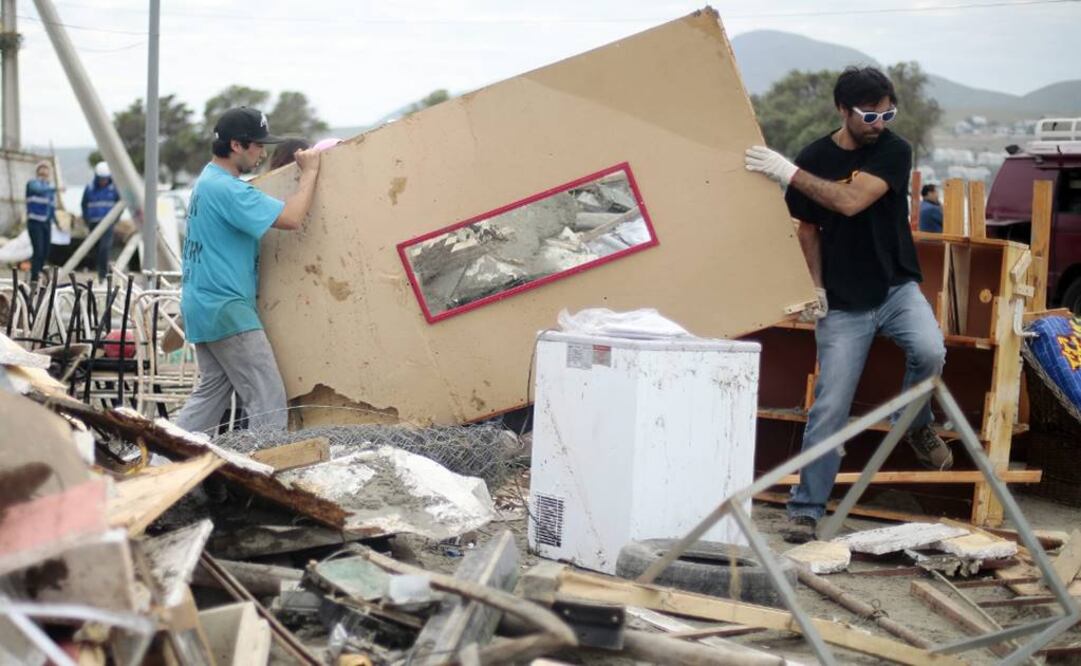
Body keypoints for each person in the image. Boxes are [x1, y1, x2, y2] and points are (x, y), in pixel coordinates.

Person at [744, 66, 950, 544]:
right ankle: (806, 510)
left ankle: (914, 424)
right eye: (870, 114)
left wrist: (789, 174)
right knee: (830, 406)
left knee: (931, 351)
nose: (880, 122)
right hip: (842, 302)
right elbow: (809, 228)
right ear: (842, 110)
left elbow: (852, 201)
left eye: (888, 113)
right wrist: (815, 288)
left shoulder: (894, 150)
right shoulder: (815, 155)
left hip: (896, 288)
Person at [173, 106, 321, 435]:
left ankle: (158, 461)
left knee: (210, 396)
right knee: (268, 399)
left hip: (202, 305)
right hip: (228, 308)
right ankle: (264, 472)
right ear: (236, 145)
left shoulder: (206, 181)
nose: (262, 153)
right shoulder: (228, 189)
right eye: (257, 145)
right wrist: (309, 173)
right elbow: (292, 218)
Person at [80, 161, 121, 280]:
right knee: (97, 250)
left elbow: (119, 206)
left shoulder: (114, 189)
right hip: (94, 223)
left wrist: (115, 219)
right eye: (101, 179)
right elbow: (84, 204)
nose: (103, 181)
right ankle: (101, 272)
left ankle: (103, 276)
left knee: (105, 248)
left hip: (108, 224)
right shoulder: (90, 188)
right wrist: (87, 220)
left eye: (105, 179)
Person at [25, 161, 57, 284]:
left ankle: (39, 273)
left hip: (46, 222)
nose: (44, 171)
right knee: (38, 249)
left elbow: (51, 206)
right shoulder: (32, 184)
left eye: (46, 169)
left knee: (45, 250)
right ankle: (34, 278)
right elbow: (39, 189)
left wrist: (56, 222)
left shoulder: (49, 188)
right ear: (37, 171)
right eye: (41, 168)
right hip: (35, 221)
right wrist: (54, 187)